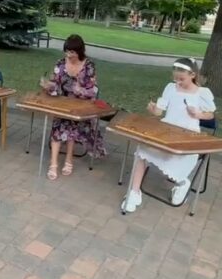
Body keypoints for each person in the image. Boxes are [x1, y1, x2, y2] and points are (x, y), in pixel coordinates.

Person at [122, 58, 216, 213]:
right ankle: (134, 192)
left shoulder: (202, 93)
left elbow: (210, 115)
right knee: (142, 151)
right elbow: (160, 111)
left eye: (182, 79)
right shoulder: (171, 88)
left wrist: (198, 113)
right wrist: (153, 110)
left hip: (187, 134)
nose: (178, 82)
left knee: (178, 157)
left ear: (192, 74)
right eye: (175, 78)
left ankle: (182, 182)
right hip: (166, 129)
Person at [40, 34, 106, 180]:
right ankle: (53, 164)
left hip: (81, 105)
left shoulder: (89, 66)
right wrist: (48, 85)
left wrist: (80, 91)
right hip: (62, 103)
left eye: (72, 52)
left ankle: (69, 159)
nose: (69, 55)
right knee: (58, 125)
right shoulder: (60, 63)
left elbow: (93, 90)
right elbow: (55, 83)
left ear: (80, 51)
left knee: (72, 126)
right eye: (67, 51)